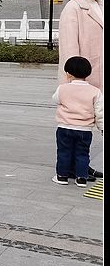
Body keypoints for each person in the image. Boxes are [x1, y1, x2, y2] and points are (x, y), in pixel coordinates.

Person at [58, 0, 104, 179]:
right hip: (82, 78)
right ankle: (73, 167)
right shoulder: (73, 8)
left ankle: (81, 164)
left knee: (87, 125)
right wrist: (76, 79)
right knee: (77, 125)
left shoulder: (99, 3)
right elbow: (69, 48)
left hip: (98, 73)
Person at [52, 56, 103, 187]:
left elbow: (56, 99)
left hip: (65, 128)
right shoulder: (95, 91)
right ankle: (81, 179)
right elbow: (100, 112)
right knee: (83, 153)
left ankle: (62, 177)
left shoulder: (62, 88)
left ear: (68, 73)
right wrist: (102, 127)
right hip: (84, 130)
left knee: (64, 152)